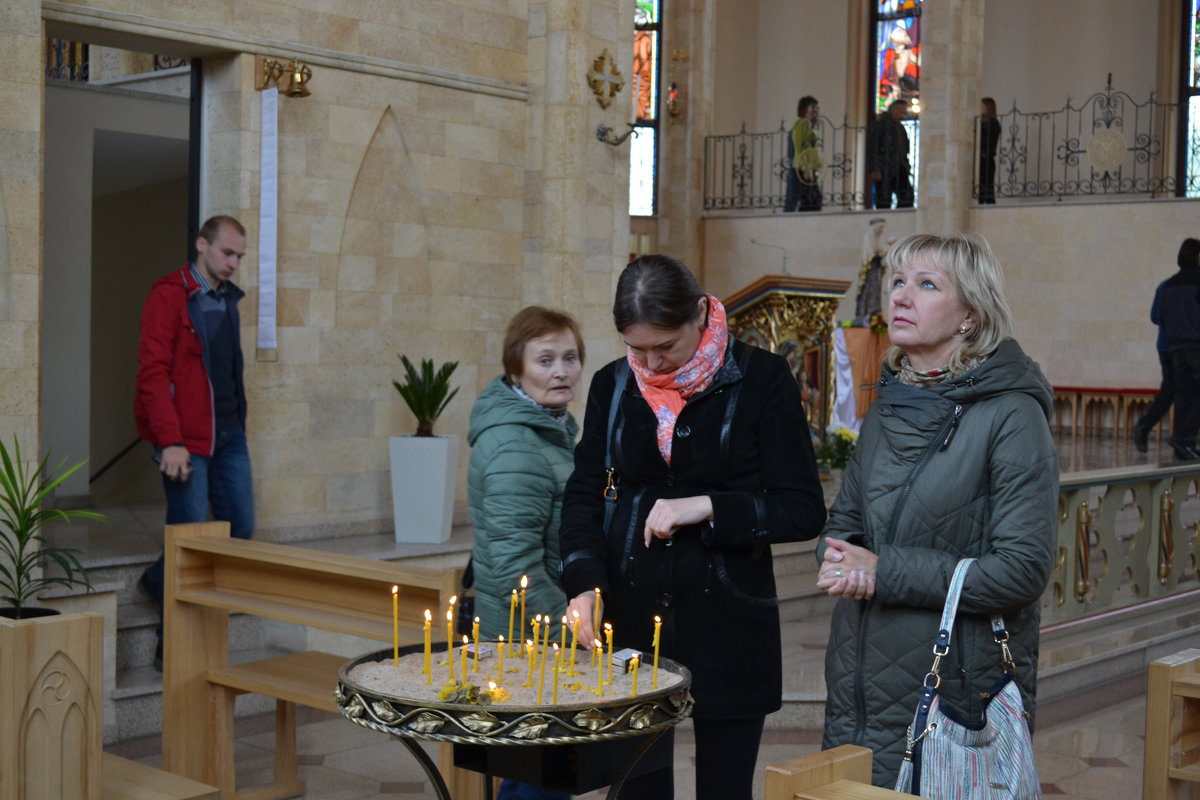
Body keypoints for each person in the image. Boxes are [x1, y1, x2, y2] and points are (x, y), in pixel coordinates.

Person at [559, 255, 827, 800]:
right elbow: (585, 493)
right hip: (632, 619)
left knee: (725, 791)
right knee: (636, 789)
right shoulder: (612, 384)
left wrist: (708, 506)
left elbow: (801, 508)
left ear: (702, 314)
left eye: (667, 347)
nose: (652, 364)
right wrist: (584, 582)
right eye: (638, 348)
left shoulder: (762, 378)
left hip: (728, 621)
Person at [817, 233, 1058, 788]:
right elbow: (843, 524)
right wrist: (837, 559)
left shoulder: (1013, 416)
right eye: (898, 281)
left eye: (927, 285)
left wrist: (882, 571)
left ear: (970, 315)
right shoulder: (890, 403)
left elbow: (1022, 570)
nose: (900, 296)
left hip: (951, 690)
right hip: (858, 676)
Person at [468, 306, 584, 800]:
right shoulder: (517, 444)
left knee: (538, 775)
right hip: (526, 639)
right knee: (535, 780)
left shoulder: (546, 429)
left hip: (534, 634)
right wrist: (576, 630)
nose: (561, 371)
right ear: (515, 369)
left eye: (571, 357)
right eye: (545, 360)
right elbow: (517, 566)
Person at [134, 215, 254, 670]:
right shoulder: (168, 295)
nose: (233, 263)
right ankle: (173, 642)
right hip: (185, 440)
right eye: (227, 253)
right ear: (202, 244)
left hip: (229, 434)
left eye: (240, 256)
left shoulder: (227, 300)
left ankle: (154, 578)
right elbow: (152, 375)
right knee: (188, 536)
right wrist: (170, 442)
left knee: (239, 526)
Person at [1155, 238, 1200, 460]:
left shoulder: (1169, 285)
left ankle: (1184, 445)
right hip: (1195, 346)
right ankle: (1183, 438)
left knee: (1185, 396)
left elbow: (1160, 316)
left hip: (1175, 348)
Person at [866, 99, 913, 209]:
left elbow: (905, 148)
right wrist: (874, 168)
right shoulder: (879, 126)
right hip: (884, 168)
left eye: (905, 112)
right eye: (901, 112)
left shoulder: (900, 127)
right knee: (883, 199)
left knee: (907, 197)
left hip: (900, 167)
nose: (904, 115)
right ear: (893, 110)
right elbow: (872, 148)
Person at [783, 95, 822, 212]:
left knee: (809, 199)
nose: (816, 110)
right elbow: (801, 146)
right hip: (802, 169)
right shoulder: (802, 124)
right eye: (813, 107)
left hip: (806, 169)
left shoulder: (807, 125)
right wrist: (807, 167)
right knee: (803, 199)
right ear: (806, 109)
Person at [853, 217, 888, 325]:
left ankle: (875, 314)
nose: (882, 230)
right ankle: (865, 315)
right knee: (869, 292)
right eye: (880, 227)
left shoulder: (879, 239)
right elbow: (870, 255)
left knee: (876, 293)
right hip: (870, 270)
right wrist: (882, 254)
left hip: (876, 270)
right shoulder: (868, 238)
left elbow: (881, 254)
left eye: (883, 228)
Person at [978, 97, 1001, 204]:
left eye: (982, 106)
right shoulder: (981, 123)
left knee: (986, 184)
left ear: (988, 107)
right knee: (981, 184)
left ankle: (987, 202)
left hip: (986, 158)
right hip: (982, 158)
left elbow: (990, 142)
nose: (980, 108)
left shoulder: (993, 123)